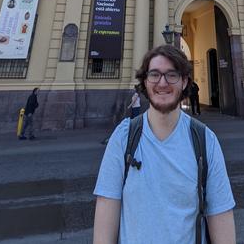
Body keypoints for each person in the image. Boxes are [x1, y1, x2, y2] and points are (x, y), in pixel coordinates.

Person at [93, 44, 236, 244]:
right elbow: (105, 214)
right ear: (145, 80)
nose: (162, 83)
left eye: (172, 75)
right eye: (154, 74)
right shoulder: (123, 138)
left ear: (185, 81)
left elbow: (221, 214)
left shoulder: (205, 140)